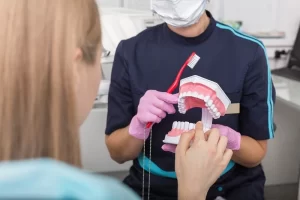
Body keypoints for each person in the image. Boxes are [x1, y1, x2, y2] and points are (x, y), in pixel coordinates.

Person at [0, 0, 232, 199]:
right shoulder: (100, 194)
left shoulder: (246, 50)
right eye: (101, 52)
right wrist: (192, 192)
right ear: (74, 69)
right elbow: (117, 151)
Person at [105, 0, 276, 199]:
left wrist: (228, 140)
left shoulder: (249, 51)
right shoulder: (130, 51)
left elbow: (256, 153)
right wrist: (138, 127)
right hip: (151, 185)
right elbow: (118, 154)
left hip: (229, 185)